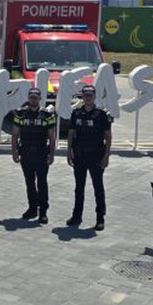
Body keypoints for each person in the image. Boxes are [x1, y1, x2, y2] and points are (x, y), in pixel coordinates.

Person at [66, 84, 112, 230]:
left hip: (96, 156)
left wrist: (106, 156)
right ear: (83, 97)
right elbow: (71, 133)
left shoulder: (101, 115)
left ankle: (100, 218)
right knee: (79, 188)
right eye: (85, 95)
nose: (88, 98)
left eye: (90, 96)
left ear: (94, 97)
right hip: (80, 155)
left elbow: (108, 136)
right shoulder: (76, 113)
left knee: (98, 187)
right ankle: (76, 216)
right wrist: (68, 151)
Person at [11, 87, 57, 223]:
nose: (33, 100)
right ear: (28, 98)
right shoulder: (21, 114)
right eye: (31, 97)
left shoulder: (47, 115)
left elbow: (52, 137)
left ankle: (43, 211)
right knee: (29, 182)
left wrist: (52, 155)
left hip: (41, 153)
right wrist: (14, 151)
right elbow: (15, 134)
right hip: (26, 153)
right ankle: (32, 209)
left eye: (36, 98)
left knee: (42, 183)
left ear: (40, 99)